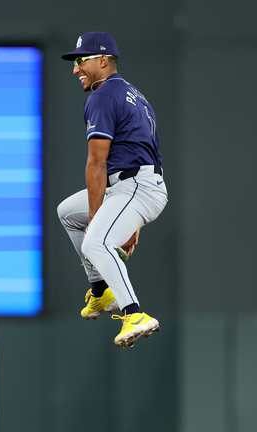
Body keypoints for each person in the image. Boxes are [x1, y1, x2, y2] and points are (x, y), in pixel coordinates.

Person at [56, 32, 168, 348]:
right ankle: (100, 290)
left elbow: (96, 163)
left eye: (81, 60)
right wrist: (131, 220)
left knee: (95, 240)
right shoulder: (133, 94)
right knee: (67, 212)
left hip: (135, 186)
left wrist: (99, 217)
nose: (75, 68)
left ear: (103, 60)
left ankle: (135, 313)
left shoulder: (102, 97)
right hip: (136, 185)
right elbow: (145, 151)